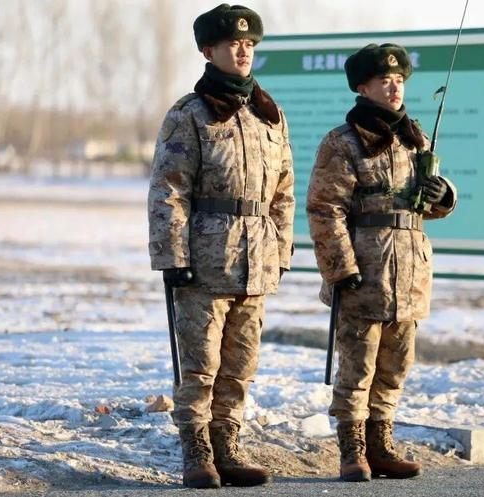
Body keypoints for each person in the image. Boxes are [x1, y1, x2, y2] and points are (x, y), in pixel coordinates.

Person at [147, 3, 294, 489]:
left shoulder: (270, 114)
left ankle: (228, 446)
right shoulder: (189, 113)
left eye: (249, 44)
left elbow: (283, 191)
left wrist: (281, 250)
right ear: (209, 51)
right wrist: (172, 256)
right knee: (200, 365)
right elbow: (169, 189)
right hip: (205, 262)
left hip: (257, 260)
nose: (243, 51)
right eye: (233, 44)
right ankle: (197, 450)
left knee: (239, 365)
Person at [306, 43, 457, 482]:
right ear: (362, 87)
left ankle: (381, 445)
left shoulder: (415, 138)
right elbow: (324, 210)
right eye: (384, 81)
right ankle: (352, 450)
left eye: (399, 80)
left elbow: (425, 206)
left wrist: (443, 195)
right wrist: (341, 269)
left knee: (395, 366)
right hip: (363, 273)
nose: (394, 88)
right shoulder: (343, 141)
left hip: (409, 273)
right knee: (357, 366)